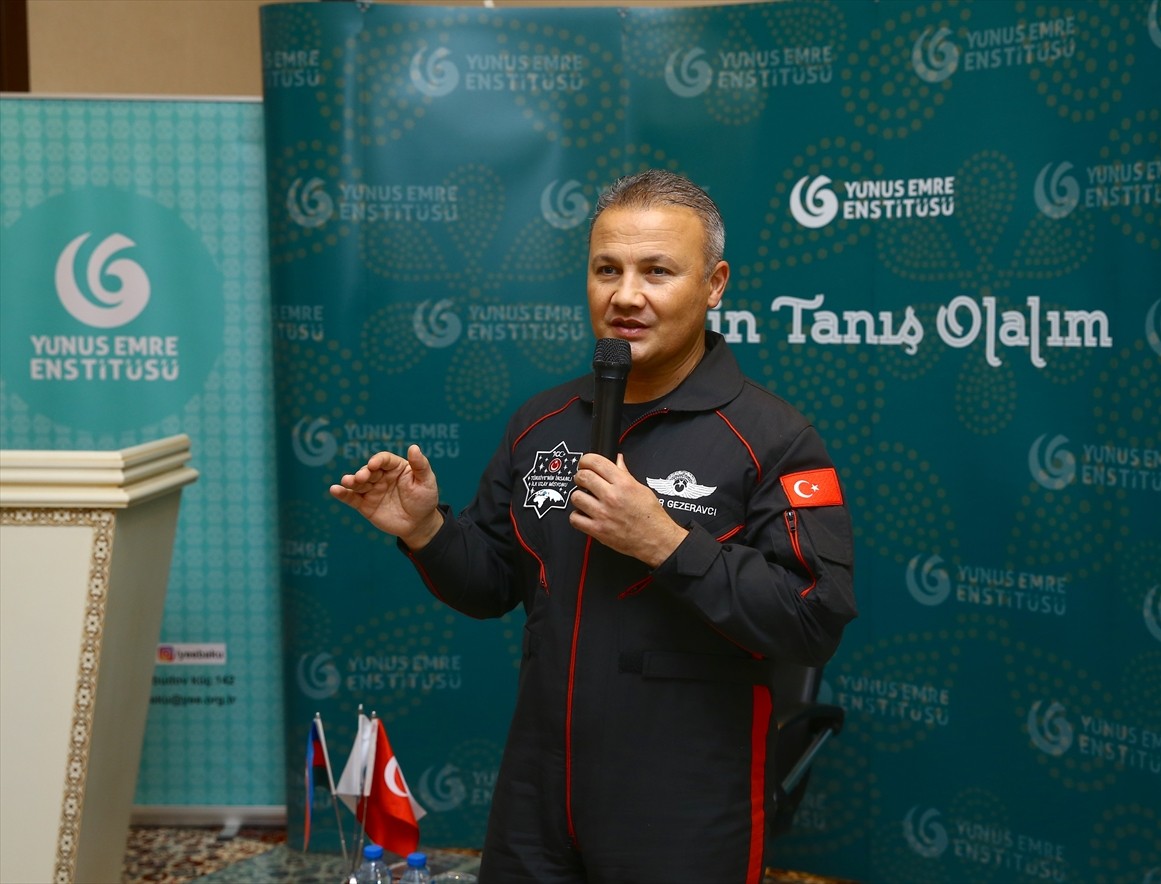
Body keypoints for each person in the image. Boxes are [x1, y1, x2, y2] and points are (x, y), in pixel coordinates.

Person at [329, 169, 856, 884]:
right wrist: (425, 529)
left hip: (686, 807)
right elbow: (491, 584)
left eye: (657, 271)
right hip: (537, 800)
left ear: (715, 283)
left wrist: (666, 543)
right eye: (607, 269)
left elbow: (814, 618)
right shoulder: (542, 423)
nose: (625, 296)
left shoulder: (773, 438)